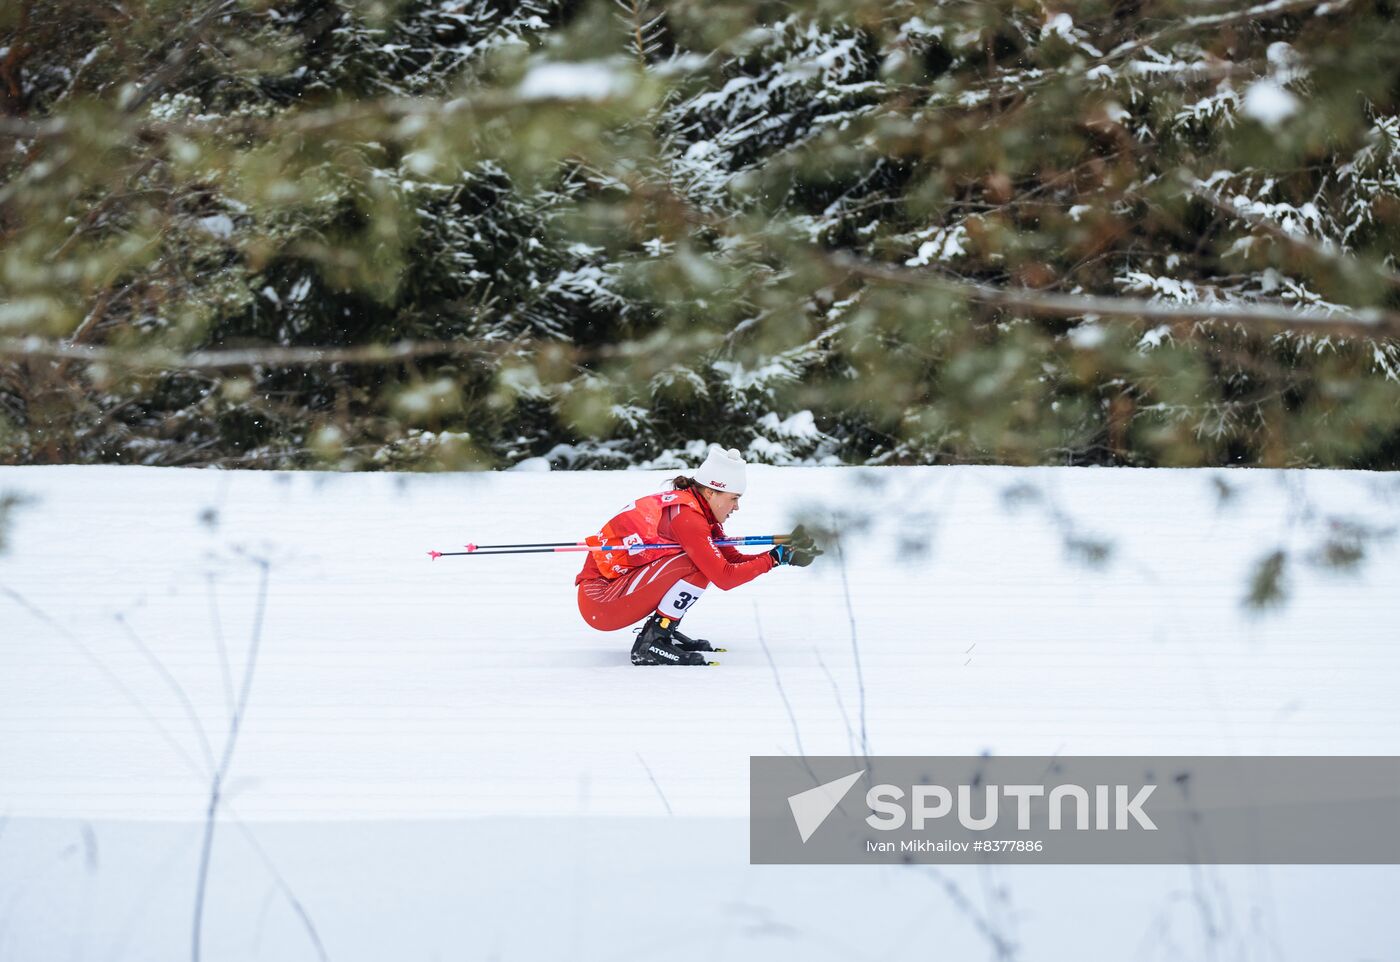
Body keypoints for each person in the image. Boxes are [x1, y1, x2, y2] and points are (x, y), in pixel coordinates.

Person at [575, 446, 822, 666]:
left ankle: (662, 632)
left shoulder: (696, 510)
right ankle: (653, 642)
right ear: (712, 492)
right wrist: (774, 558)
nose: (737, 507)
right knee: (696, 564)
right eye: (734, 499)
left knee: (700, 562)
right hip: (601, 601)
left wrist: (783, 555)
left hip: (614, 592)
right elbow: (724, 577)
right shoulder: (687, 518)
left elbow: (730, 562)